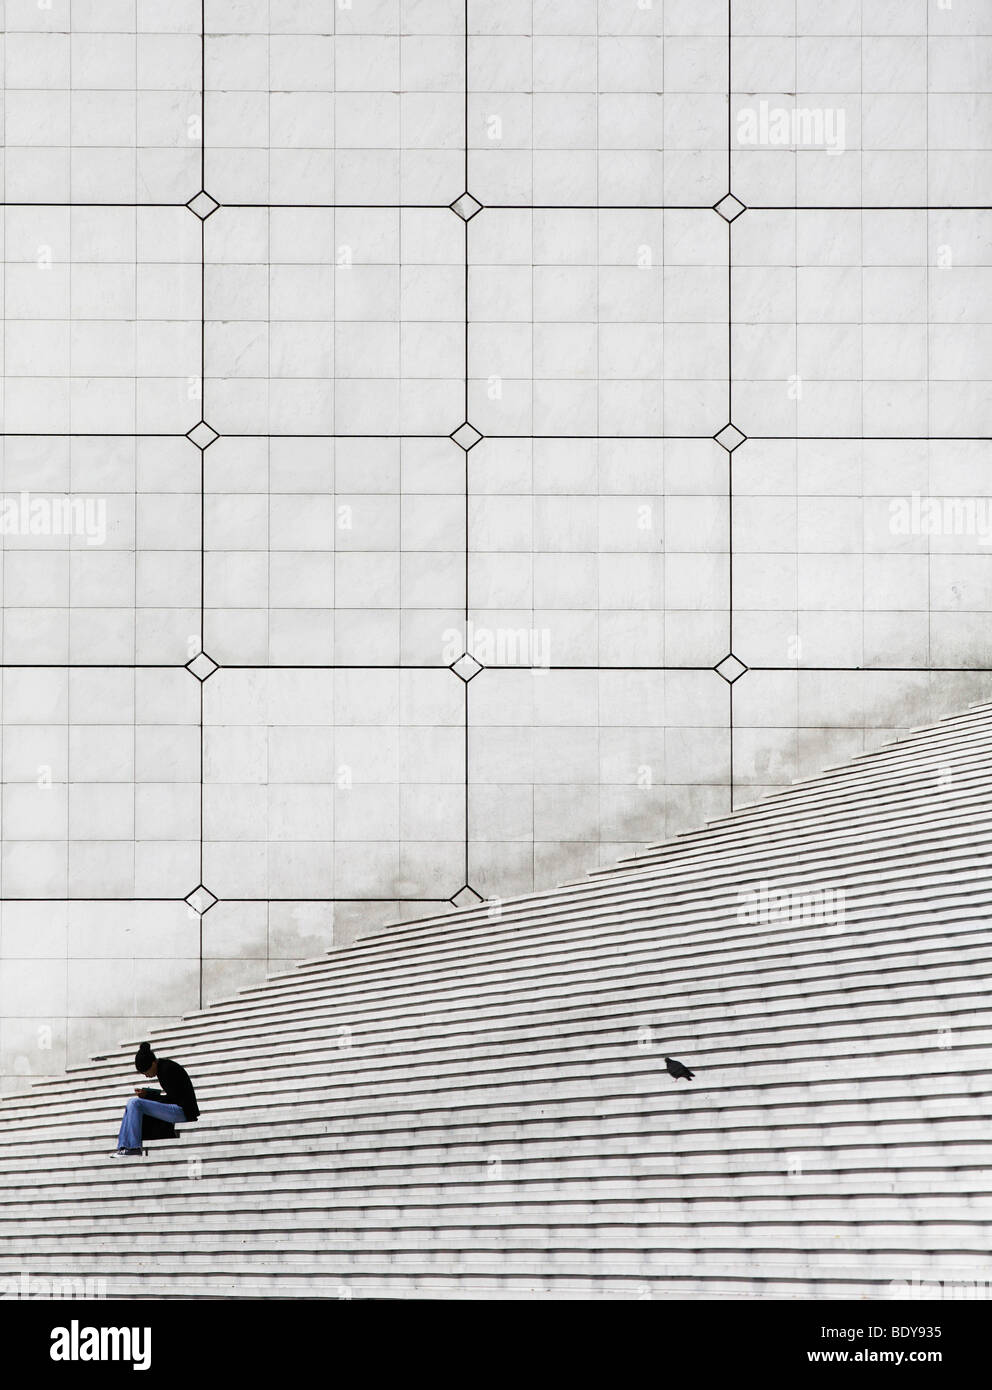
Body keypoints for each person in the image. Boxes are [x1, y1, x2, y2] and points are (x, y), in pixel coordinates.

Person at [111, 1041, 200, 1157]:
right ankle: (123, 1146)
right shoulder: (163, 1068)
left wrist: (148, 1096)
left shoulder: (167, 1069)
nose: (147, 1076)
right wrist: (148, 1095)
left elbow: (174, 1099)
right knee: (131, 1104)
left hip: (183, 1112)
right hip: (178, 1109)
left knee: (134, 1103)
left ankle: (133, 1147)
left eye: (146, 1072)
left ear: (153, 1063)